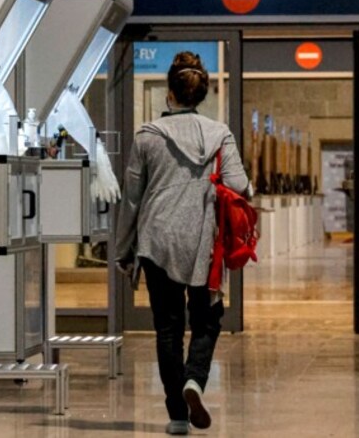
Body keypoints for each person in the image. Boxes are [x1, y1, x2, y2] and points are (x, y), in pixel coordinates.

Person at [115, 52, 249, 435]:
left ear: (170, 92)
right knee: (207, 320)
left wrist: (124, 250)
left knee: (168, 328)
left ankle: (177, 414)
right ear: (199, 94)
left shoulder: (147, 136)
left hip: (157, 241)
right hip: (202, 242)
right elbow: (239, 185)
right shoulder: (220, 133)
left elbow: (132, 199)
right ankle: (195, 379)